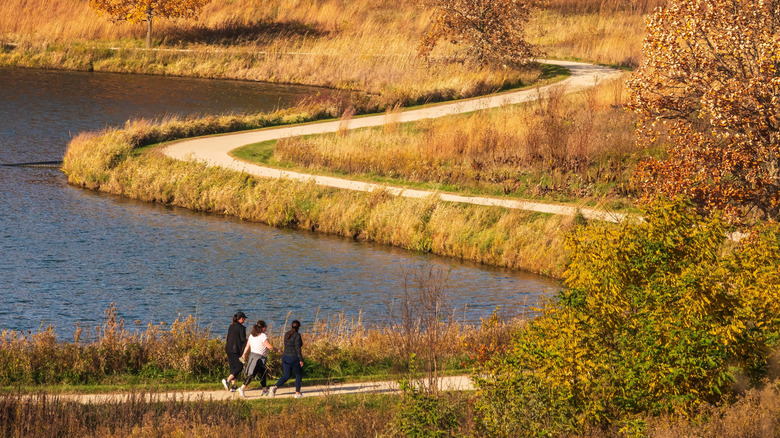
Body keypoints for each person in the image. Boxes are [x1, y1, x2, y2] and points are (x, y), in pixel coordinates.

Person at [238, 320, 279, 397]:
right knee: (251, 374)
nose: (266, 328)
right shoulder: (263, 336)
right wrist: (277, 350)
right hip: (259, 358)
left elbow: (247, 346)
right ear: (262, 328)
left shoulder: (251, 335)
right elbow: (269, 347)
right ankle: (242, 388)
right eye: (265, 327)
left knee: (262, 374)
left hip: (253, 356)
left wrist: (244, 354)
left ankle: (265, 390)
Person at [271, 320, 304, 398]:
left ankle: (274, 388)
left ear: (291, 326)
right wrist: (301, 359)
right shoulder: (297, 335)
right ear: (299, 327)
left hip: (285, 357)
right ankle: (297, 393)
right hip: (293, 357)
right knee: (298, 375)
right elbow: (298, 348)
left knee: (286, 375)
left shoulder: (286, 334)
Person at [222, 311, 247, 392]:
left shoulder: (231, 326)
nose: (244, 320)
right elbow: (243, 339)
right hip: (236, 350)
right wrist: (248, 341)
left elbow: (228, 337)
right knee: (240, 367)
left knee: (233, 367)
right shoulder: (242, 328)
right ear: (241, 319)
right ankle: (227, 380)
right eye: (244, 318)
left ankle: (234, 386)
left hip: (228, 348)